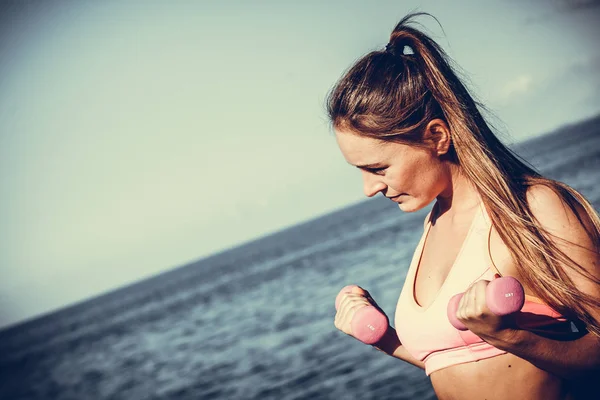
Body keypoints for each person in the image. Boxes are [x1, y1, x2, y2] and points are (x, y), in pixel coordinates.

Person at [329, 12, 600, 400]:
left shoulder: (533, 208)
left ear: (437, 136)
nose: (369, 188)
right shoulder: (435, 224)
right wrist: (385, 339)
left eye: (377, 167)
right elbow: (461, 360)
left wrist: (513, 337)